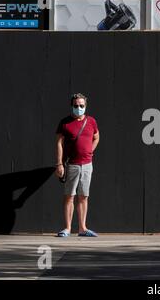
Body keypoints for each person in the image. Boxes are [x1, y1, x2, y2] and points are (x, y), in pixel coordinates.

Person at [55, 93, 100, 237]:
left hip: (87, 165)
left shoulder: (91, 121)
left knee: (83, 196)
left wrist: (90, 151)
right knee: (69, 196)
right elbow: (59, 143)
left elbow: (97, 137)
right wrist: (59, 164)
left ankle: (82, 228)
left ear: (85, 106)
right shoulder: (65, 123)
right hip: (72, 165)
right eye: (76, 106)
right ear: (72, 106)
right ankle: (67, 228)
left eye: (82, 105)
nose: (79, 108)